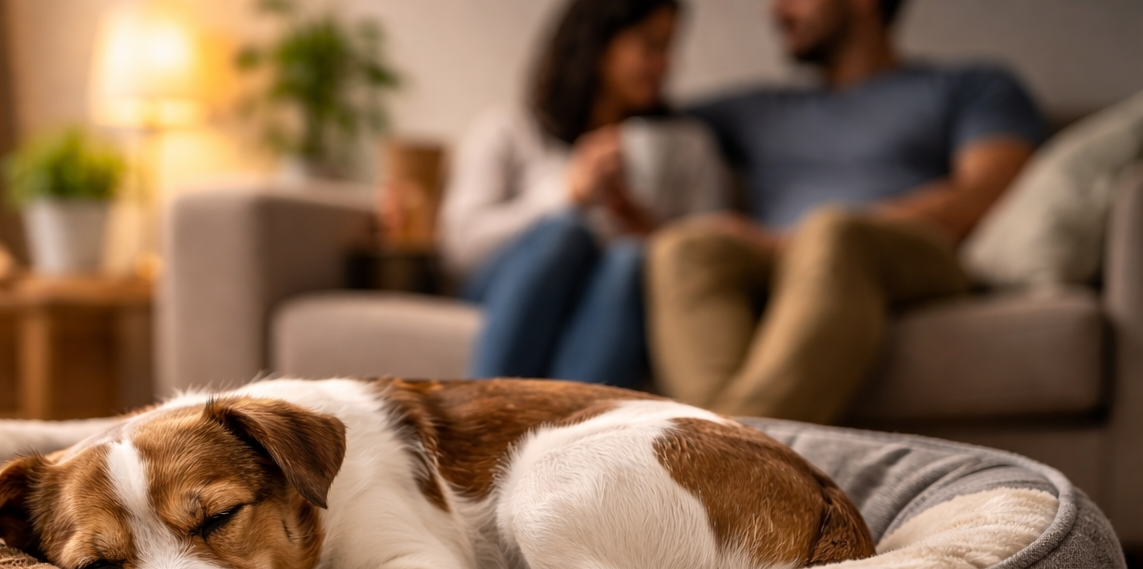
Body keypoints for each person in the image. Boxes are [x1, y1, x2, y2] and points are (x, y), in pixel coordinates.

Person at [647, 0, 1046, 423]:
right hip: (784, 260)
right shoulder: (759, 111)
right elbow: (619, 107)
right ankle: (723, 459)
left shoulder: (970, 85)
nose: (776, 11)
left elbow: (990, 189)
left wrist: (797, 239)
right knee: (685, 247)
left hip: (908, 259)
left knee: (832, 230)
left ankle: (723, 457)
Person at [439, 0, 725, 389]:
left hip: (617, 286)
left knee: (629, 258)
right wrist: (566, 193)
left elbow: (712, 261)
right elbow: (459, 248)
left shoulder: (687, 147)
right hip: (502, 284)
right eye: (650, 46)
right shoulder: (510, 131)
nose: (665, 66)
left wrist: (643, 226)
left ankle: (572, 446)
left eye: (669, 48)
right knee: (567, 233)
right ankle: (478, 419)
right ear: (598, 44)